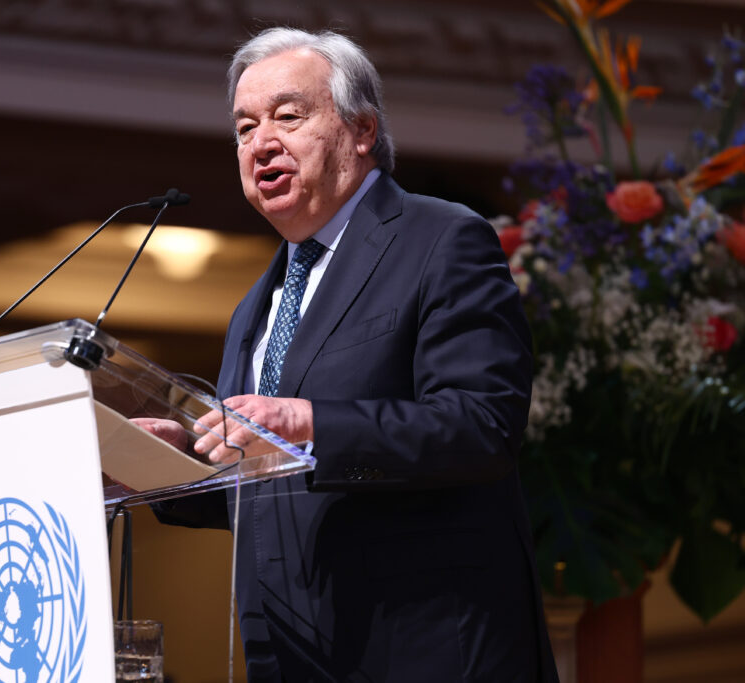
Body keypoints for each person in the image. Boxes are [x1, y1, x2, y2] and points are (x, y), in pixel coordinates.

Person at [143, 27, 559, 682]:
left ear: (362, 131)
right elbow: (271, 486)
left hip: (425, 654)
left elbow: (481, 427)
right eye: (245, 128)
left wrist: (311, 423)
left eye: (287, 116)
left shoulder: (442, 239)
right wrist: (174, 468)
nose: (260, 143)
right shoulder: (255, 306)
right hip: (293, 655)